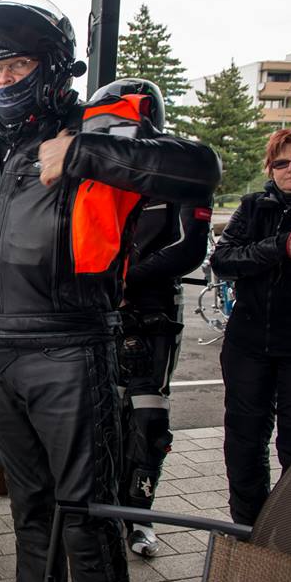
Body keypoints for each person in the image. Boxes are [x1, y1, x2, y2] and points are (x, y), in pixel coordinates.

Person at [0, 0, 220, 582]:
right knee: (30, 513)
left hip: (72, 354)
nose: (4, 80)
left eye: (18, 65)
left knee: (86, 520)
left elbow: (200, 168)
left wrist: (86, 151)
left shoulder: (93, 127)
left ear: (52, 66)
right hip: (1, 356)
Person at [90, 79, 214, 557]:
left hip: (153, 316)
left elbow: (188, 248)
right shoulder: (97, 174)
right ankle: (101, 514)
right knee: (99, 420)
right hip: (99, 316)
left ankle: (139, 517)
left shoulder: (179, 168)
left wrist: (122, 282)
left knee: (148, 424)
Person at [210, 125, 291, 526]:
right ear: (270, 168)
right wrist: (277, 246)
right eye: (281, 162)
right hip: (248, 342)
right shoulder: (254, 206)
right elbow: (223, 260)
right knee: (243, 442)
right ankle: (247, 529)